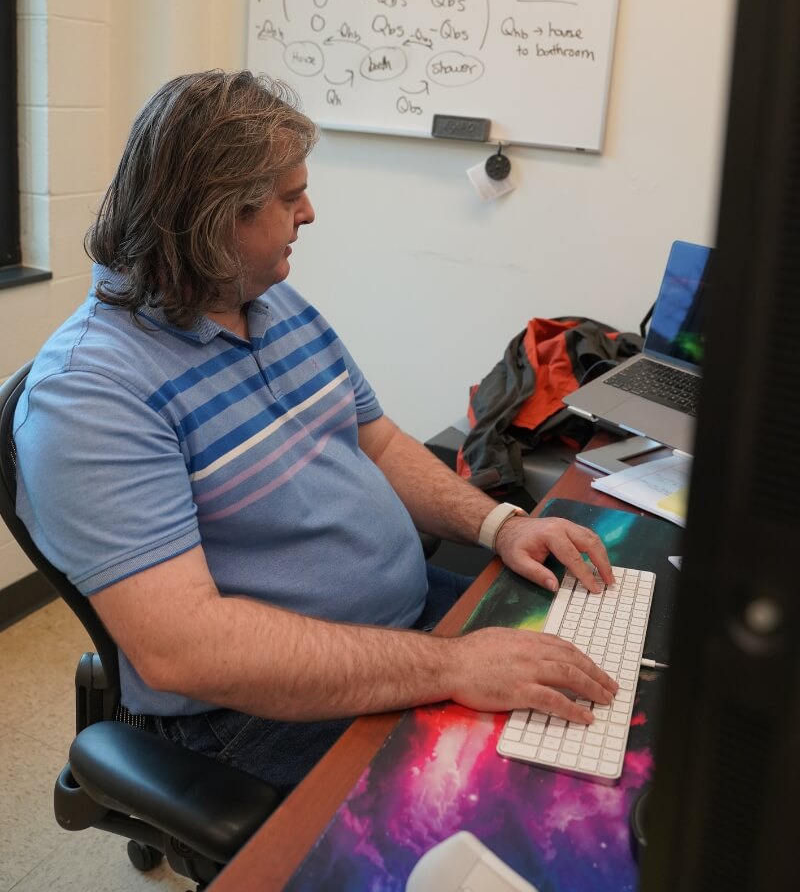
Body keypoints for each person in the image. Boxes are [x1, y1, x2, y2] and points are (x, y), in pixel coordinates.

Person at [14, 69, 618, 792]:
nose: (309, 213)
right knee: (532, 805)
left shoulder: (272, 301)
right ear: (215, 219)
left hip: (409, 618)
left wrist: (499, 525)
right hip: (261, 711)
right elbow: (189, 652)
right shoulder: (89, 394)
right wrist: (454, 665)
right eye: (289, 196)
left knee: (601, 704)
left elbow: (381, 442)